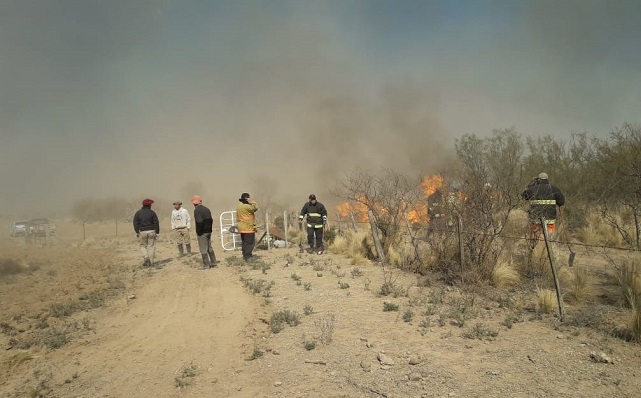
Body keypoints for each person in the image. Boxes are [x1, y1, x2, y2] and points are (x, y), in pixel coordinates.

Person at [521, 172, 565, 243]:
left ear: (538, 180)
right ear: (547, 179)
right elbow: (561, 202)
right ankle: (545, 248)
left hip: (535, 217)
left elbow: (524, 196)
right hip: (550, 218)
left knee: (534, 235)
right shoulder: (554, 188)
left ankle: (535, 248)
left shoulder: (533, 189)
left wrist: (530, 185)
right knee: (548, 236)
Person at [192, 195, 218, 269]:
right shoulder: (206, 209)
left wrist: (199, 232)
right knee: (209, 247)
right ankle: (214, 262)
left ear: (193, 203)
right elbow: (211, 220)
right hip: (208, 231)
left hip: (202, 233)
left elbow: (199, 222)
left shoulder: (197, 210)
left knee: (203, 249)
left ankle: (206, 265)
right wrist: (209, 229)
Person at [133, 198, 160, 267]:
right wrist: (157, 232)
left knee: (142, 246)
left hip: (142, 232)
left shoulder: (138, 213)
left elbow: (135, 223)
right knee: (151, 247)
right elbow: (156, 223)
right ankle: (151, 263)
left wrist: (137, 232)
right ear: (149, 205)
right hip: (151, 231)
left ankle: (146, 257)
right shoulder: (152, 212)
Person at [236, 193, 259, 261]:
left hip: (241, 227)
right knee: (250, 243)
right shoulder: (247, 206)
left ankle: (245, 255)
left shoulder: (239, 206)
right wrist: (253, 202)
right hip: (248, 227)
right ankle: (248, 257)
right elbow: (255, 208)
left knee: (245, 242)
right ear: (247, 199)